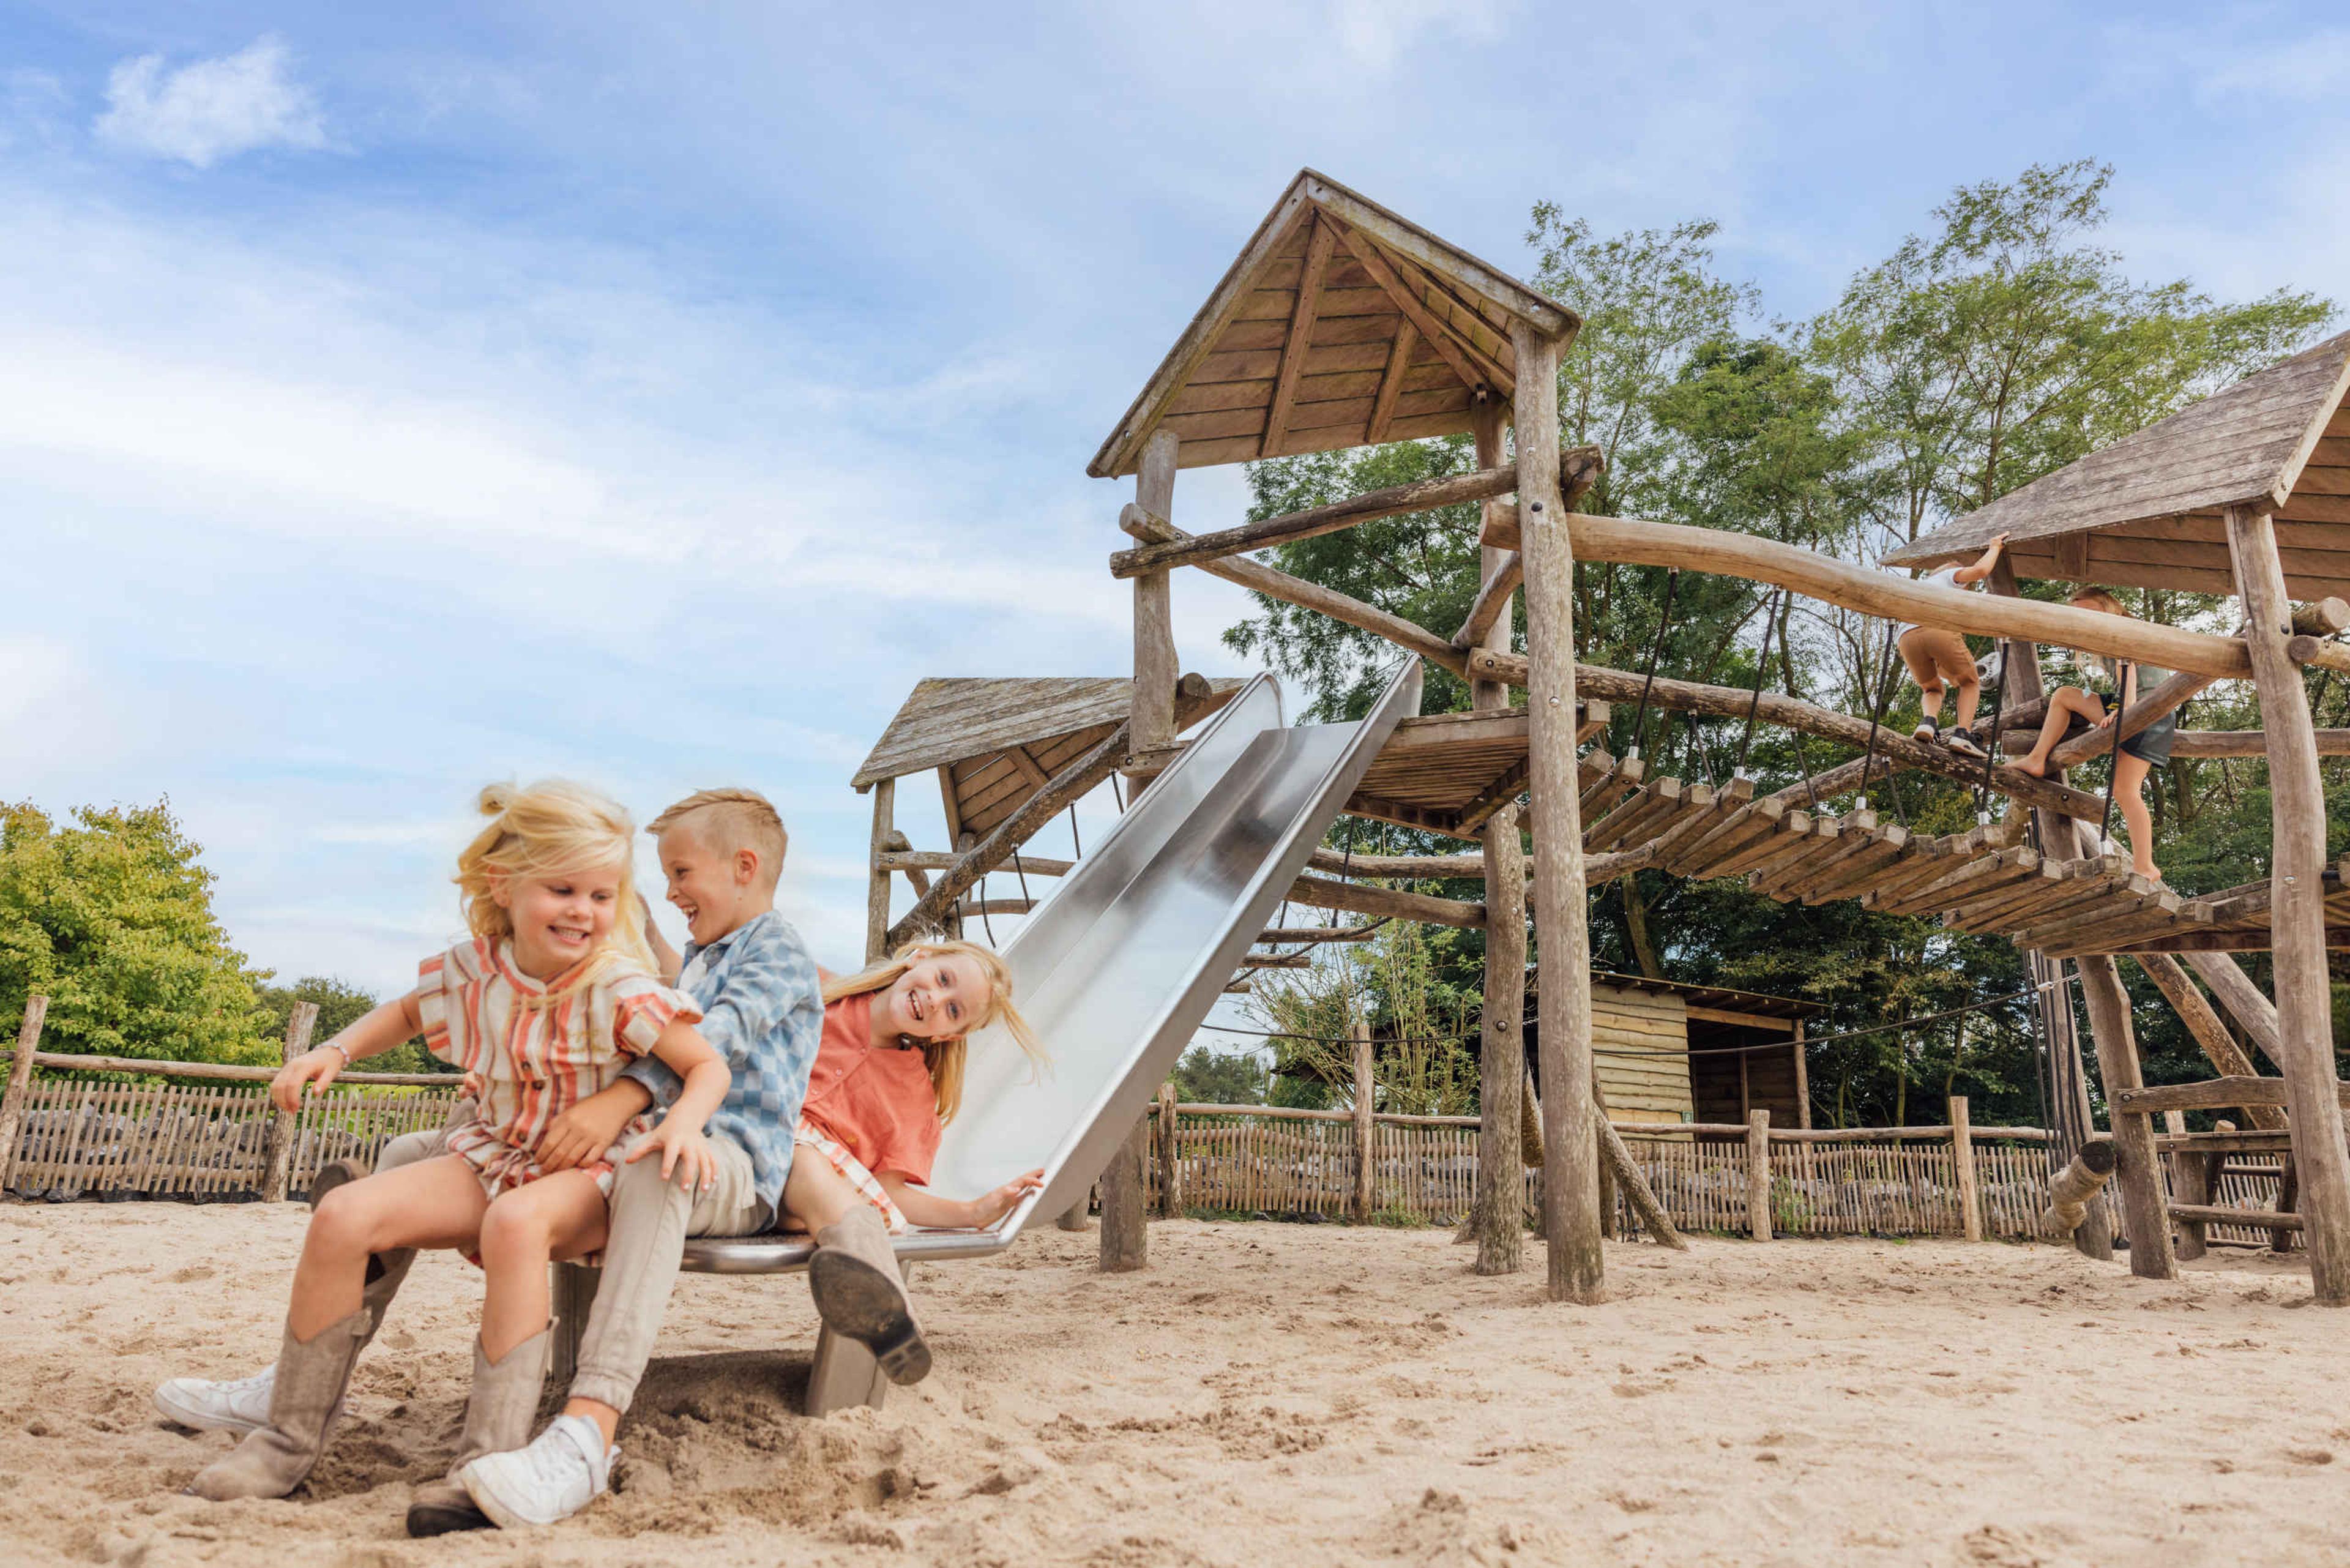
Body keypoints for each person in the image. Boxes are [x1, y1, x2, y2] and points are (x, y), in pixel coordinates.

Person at [159, 787, 827, 1537]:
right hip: (498, 1152)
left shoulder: (620, 984)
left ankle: (487, 1457)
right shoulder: (475, 970)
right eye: (564, 890)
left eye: (602, 895)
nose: (583, 910)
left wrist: (682, 1125)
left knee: (514, 1224)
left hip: (588, 1172)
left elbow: (708, 1063)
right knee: (346, 1213)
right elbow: (410, 1011)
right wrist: (333, 1049)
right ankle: (286, 1435)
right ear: (504, 887)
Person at [781, 941, 1051, 1386]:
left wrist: (972, 1213)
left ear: (948, 1036)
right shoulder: (823, 995)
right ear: (921, 957)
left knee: (806, 1161)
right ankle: (888, 1305)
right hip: (745, 1146)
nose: (934, 1000)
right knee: (795, 1151)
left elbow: (891, 1193)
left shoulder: (912, 1093)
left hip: (801, 1194)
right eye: (944, 980)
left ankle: (885, 1313)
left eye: (952, 1010)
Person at [2012, 588, 2173, 884]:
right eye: (2080, 613)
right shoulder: (2106, 636)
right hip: (2133, 704)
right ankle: (2037, 758)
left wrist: (2125, 709)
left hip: (2147, 709)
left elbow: (2129, 665)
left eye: (2091, 611)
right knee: (2066, 696)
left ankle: (2146, 865)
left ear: (2110, 608)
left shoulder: (2121, 629)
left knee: (2126, 791)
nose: (2086, 618)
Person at [1891, 532, 2009, 758]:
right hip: (1935, 628)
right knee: (1971, 682)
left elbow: (1938, 660)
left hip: (1905, 638)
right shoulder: (1949, 575)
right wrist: (1994, 547)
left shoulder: (1921, 588)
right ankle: (1963, 734)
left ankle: (1928, 722)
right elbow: (1981, 570)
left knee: (1932, 688)